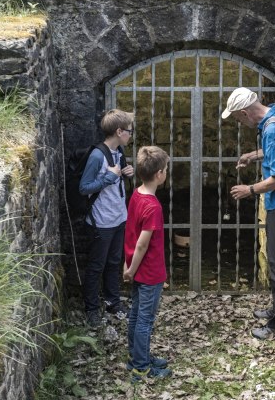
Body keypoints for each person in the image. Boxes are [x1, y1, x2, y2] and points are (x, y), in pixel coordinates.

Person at [222, 87, 275, 340]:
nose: (240, 123)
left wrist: (249, 189)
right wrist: (253, 155)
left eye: (238, 118)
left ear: (246, 112)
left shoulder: (272, 130)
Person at [79, 109, 135, 328]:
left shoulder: (118, 151)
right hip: (101, 221)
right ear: (119, 131)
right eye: (129, 131)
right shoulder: (97, 156)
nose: (131, 135)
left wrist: (125, 172)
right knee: (96, 266)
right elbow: (84, 188)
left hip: (119, 217)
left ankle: (113, 302)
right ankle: (92, 308)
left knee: (114, 262)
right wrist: (111, 177)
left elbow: (116, 177)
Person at [123, 146, 172, 381]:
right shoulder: (153, 207)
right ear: (160, 173)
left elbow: (129, 232)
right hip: (149, 271)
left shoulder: (136, 194)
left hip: (136, 267)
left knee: (135, 315)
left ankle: (136, 357)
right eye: (167, 170)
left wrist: (128, 265)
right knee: (145, 320)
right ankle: (141, 367)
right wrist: (131, 268)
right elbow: (142, 243)